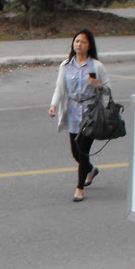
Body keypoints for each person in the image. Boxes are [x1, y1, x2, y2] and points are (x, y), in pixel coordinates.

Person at [46, 29, 110, 202]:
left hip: (90, 112)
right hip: (73, 111)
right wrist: (53, 105)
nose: (79, 44)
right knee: (75, 152)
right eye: (77, 41)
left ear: (89, 46)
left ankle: (80, 188)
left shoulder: (96, 66)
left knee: (83, 151)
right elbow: (59, 88)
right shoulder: (65, 65)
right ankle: (91, 170)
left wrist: (97, 85)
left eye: (83, 42)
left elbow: (107, 90)